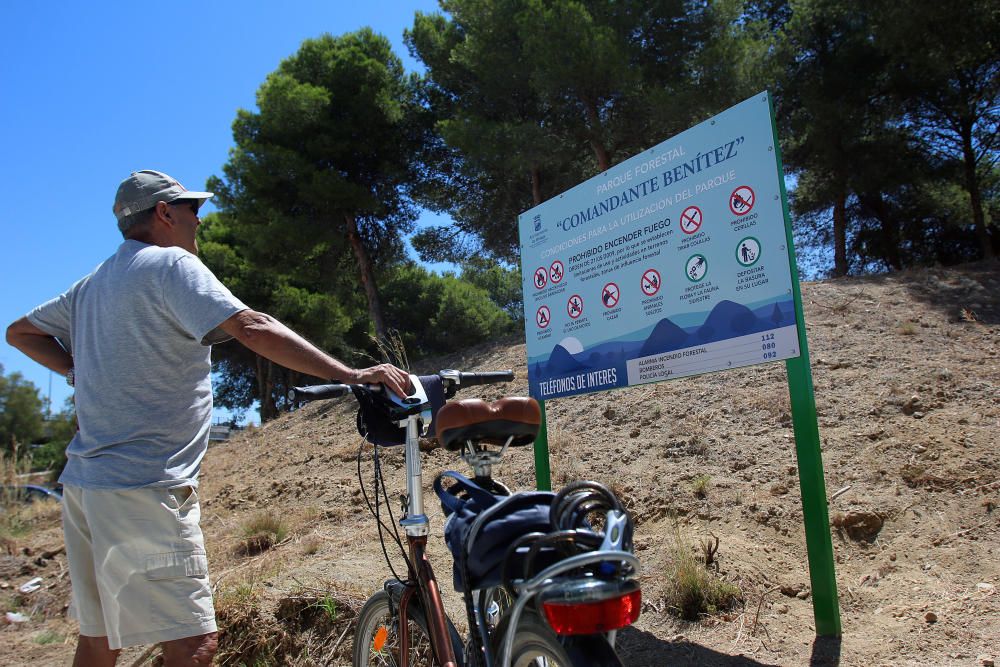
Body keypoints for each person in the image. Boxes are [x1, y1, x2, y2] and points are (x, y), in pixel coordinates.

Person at [5, 170, 411, 667]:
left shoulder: (91, 286)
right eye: (192, 208)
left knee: (99, 640)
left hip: (86, 490)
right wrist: (351, 373)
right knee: (193, 642)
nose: (199, 219)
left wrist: (79, 370)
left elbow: (20, 332)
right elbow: (252, 326)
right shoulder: (170, 264)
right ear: (163, 213)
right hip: (146, 488)